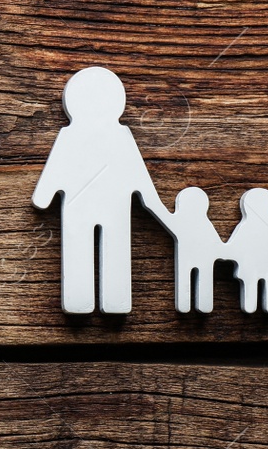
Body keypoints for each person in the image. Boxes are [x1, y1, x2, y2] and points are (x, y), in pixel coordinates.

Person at [31, 66, 172, 314]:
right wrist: (152, 202)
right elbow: (138, 177)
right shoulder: (81, 136)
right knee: (94, 248)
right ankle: (98, 301)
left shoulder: (94, 136)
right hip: (99, 207)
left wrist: (44, 197)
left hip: (98, 207)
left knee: (92, 248)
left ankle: (97, 301)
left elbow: (135, 172)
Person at [223, 187, 268, 314]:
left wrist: (223, 252)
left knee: (256, 285)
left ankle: (256, 306)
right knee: (263, 285)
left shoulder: (246, 227)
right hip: (263, 266)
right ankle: (261, 306)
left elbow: (234, 247)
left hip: (255, 266)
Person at [170, 186, 228, 313]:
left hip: (199, 259)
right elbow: (216, 242)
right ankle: (191, 305)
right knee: (193, 279)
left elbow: (215, 242)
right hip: (195, 259)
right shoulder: (193, 222)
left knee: (196, 279)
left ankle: (198, 305)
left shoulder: (200, 223)